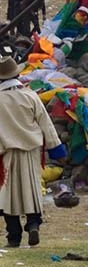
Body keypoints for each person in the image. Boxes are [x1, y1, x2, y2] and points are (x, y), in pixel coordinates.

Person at [0, 56, 65, 247]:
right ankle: (33, 223)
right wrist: (57, 150)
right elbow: (46, 124)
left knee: (8, 195)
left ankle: (14, 236)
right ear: (17, 74)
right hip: (31, 151)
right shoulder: (30, 96)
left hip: (6, 153)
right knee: (32, 190)